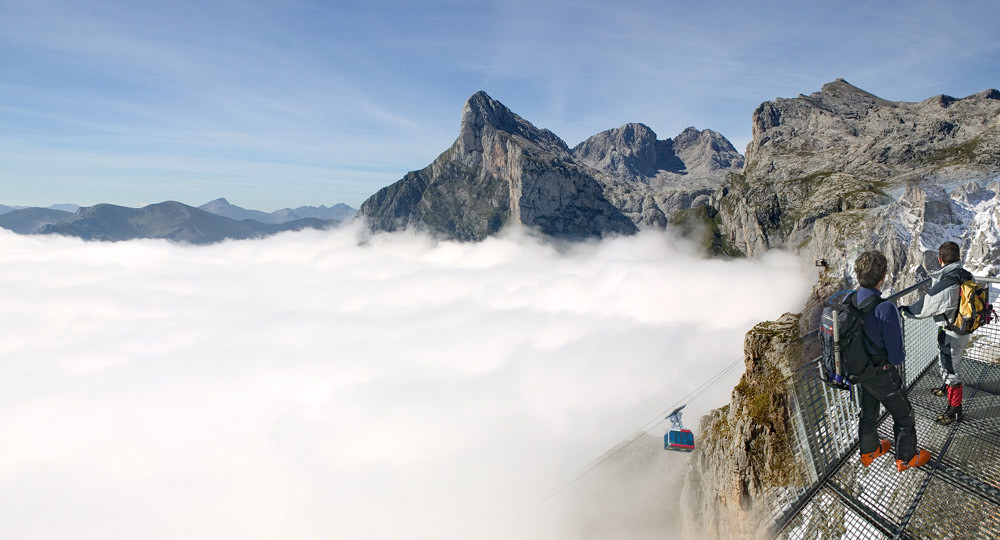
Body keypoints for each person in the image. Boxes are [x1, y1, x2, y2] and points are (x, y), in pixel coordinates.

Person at [852, 251, 931, 471]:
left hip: (861, 371)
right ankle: (906, 459)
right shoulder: (885, 308)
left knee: (868, 412)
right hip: (881, 374)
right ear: (883, 276)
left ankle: (868, 452)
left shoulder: (851, 300)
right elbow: (896, 357)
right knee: (904, 415)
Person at [900, 241, 971, 425]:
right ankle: (945, 387)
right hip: (962, 328)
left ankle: (955, 411)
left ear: (940, 260)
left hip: (952, 334)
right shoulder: (965, 274)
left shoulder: (947, 283)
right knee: (947, 362)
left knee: (952, 370)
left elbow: (923, 308)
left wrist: (903, 311)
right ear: (957, 258)